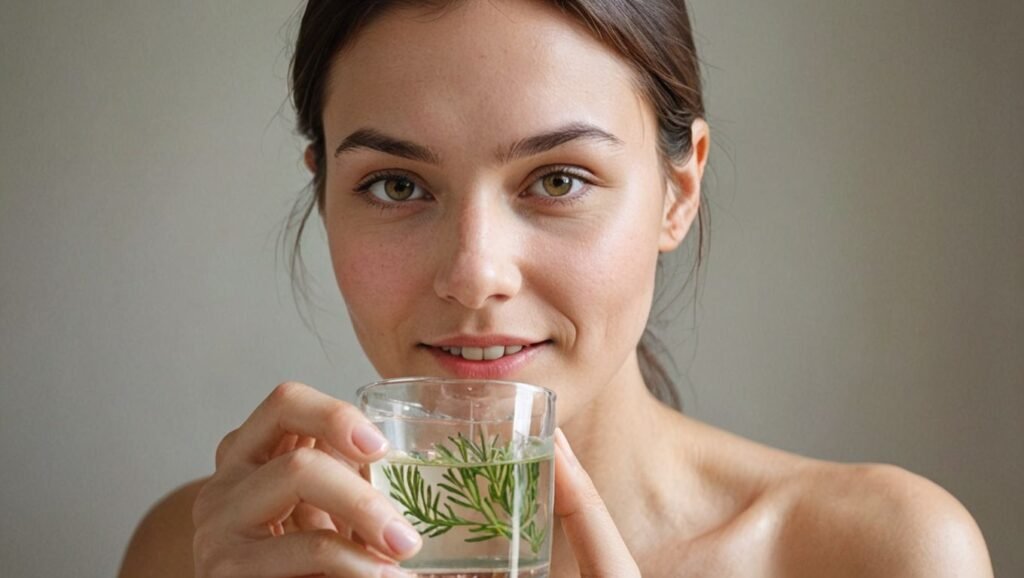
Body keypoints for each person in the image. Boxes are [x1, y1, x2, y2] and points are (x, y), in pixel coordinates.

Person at [119, 1, 994, 576]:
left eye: (559, 179)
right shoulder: (202, 552)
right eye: (396, 185)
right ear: (323, 191)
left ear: (677, 192)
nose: (473, 275)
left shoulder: (883, 554)